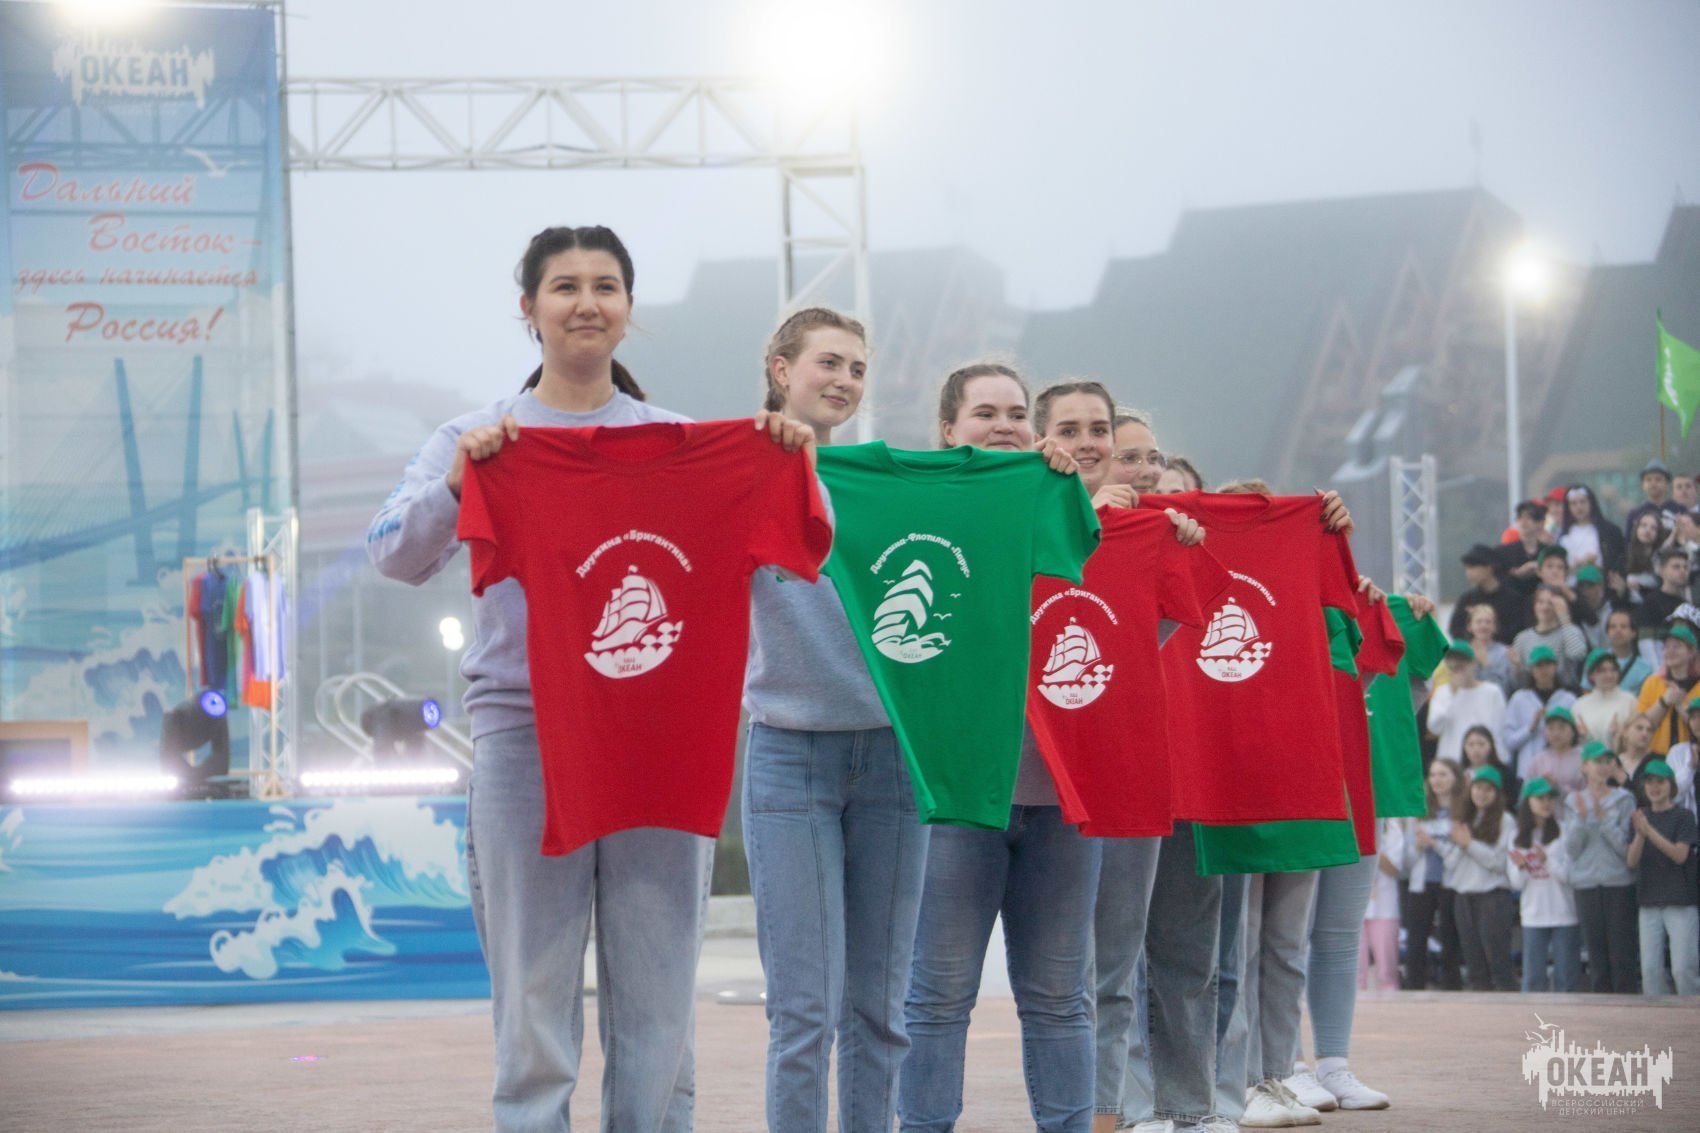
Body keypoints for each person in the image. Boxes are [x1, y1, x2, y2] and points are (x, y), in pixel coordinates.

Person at [368, 224, 818, 1132]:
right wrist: (457, 485)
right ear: (528, 307)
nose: (587, 302)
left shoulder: (687, 443)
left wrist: (785, 455)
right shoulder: (479, 441)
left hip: (659, 736)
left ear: (628, 308)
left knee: (658, 987)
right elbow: (393, 554)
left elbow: (806, 546)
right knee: (532, 990)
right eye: (565, 286)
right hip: (525, 736)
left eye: (605, 286)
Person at [899, 376, 1201, 1133]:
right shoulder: (940, 515)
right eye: (986, 414)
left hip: (1067, 796)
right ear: (949, 428)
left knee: (1063, 996)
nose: (1003, 426)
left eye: (1012, 413)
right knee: (938, 994)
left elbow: (1135, 648)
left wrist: (1168, 553)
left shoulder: (1112, 528)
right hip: (961, 793)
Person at [740, 308, 932, 1133]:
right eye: (829, 362)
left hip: (893, 760)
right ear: (781, 370)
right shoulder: (743, 471)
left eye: (857, 367)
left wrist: (1051, 472)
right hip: (788, 757)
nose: (846, 379)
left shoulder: (884, 483)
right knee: (803, 1011)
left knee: (881, 1007)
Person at [1564, 745, 1640, 994]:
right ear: (1584, 766)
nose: (1602, 766)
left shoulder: (1624, 799)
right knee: (1595, 953)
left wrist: (1604, 820)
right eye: (1596, 761)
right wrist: (1582, 819)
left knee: (1622, 952)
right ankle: (1602, 1009)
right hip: (1586, 884)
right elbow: (1572, 850)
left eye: (1607, 761)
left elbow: (1625, 849)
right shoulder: (1573, 801)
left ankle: (1627, 1006)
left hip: (1618, 883)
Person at [1440, 766, 1517, 991]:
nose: (1481, 794)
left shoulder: (1505, 820)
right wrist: (1455, 844)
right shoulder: (1464, 818)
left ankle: (1509, 1007)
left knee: (1498, 961)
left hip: (1492, 896)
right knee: (1474, 963)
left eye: (1487, 789)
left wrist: (1469, 844)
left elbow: (1498, 862)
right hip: (1463, 896)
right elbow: (1450, 863)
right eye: (1477, 788)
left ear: (1497, 793)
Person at [1627, 760, 1700, 995]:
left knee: (1683, 969)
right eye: (1650, 782)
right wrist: (1640, 834)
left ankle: (1692, 1012)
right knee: (1650, 972)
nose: (1654, 787)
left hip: (1680, 901)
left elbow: (1680, 855)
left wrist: (1649, 831)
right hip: (1649, 901)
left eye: (1660, 782)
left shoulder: (1684, 816)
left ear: (1671, 785)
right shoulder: (1641, 817)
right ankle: (1658, 1016)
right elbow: (1631, 860)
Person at [1508, 778, 1580, 992]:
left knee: (1566, 978)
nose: (1546, 803)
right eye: (1540, 798)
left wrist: (1546, 860)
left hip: (1564, 912)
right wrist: (1523, 867)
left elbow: (1570, 875)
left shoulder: (1565, 831)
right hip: (1533, 914)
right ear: (1527, 801)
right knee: (1533, 979)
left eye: (1549, 798)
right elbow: (1516, 883)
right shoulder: (1516, 836)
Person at [1400, 759, 1465, 990]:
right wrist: (1419, 847)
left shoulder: (1463, 812)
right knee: (1416, 940)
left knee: (1450, 939)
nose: (1437, 780)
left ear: (1456, 778)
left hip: (1451, 883)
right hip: (1421, 883)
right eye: (1433, 774)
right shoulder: (1419, 812)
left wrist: (1434, 844)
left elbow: (1459, 855)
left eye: (1443, 774)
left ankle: (1452, 987)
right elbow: (1407, 860)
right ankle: (1414, 988)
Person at [1426, 639, 1507, 763]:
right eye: (1452, 665)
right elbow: (1435, 727)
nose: (1457, 668)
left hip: (1482, 763)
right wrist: (1453, 693)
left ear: (1473, 664)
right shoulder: (1442, 692)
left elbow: (1499, 732)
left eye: (1461, 664)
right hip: (1451, 763)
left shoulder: (1492, 692)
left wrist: (1499, 761)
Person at [1504, 646, 1578, 781]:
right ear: (1531, 670)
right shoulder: (1519, 699)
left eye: (1548, 665)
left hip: (1561, 775)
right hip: (1527, 774)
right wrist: (1530, 728)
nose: (1544, 670)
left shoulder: (1568, 699)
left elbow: (1576, 737)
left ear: (1555, 667)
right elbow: (1509, 741)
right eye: (1539, 666)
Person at [1635, 624, 1700, 756]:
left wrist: (1680, 705)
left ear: (1691, 652)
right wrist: (1664, 702)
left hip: (1692, 756)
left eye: (1677, 646)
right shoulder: (1652, 683)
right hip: (1656, 755)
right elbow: (1640, 723)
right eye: (1666, 647)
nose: (1670, 651)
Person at [1510, 585, 1588, 686]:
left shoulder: (1569, 630)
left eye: (1551, 603)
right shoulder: (1522, 638)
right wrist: (1518, 667)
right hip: (1532, 691)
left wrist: (1564, 617)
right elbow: (1517, 683)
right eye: (1540, 602)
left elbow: (1577, 654)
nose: (1545, 607)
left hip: (1565, 690)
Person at [1448, 545, 1526, 642]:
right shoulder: (1466, 600)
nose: (1468, 573)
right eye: (1467, 568)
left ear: (1489, 568)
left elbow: (1518, 630)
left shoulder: (1513, 599)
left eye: (1473, 567)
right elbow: (1455, 630)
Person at [1359, 819, 1402, 993]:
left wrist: (1370, 845)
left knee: (1386, 970)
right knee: (1355, 971)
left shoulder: (1392, 826)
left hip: (1384, 906)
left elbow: (1394, 868)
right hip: (1356, 905)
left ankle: (1391, 1002)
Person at [1573, 649, 1637, 750]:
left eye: (1613, 670)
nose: (1609, 675)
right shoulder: (1579, 705)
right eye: (1602, 671)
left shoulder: (1630, 701)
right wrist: (1583, 737)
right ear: (1591, 675)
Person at [1557, 484, 1625, 576]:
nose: (1579, 507)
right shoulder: (1564, 536)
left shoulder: (1609, 531)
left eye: (1583, 502)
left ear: (1591, 503)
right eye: (1573, 503)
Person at [1587, 609, 1655, 695]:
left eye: (1623, 626)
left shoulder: (1645, 667)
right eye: (1613, 627)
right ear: (1607, 632)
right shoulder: (1595, 658)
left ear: (1634, 632)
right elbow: (1586, 691)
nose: (1618, 630)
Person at [1497, 500, 1551, 596]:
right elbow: (1497, 580)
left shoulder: (1548, 552)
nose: (1523, 522)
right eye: (1520, 517)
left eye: (1529, 517)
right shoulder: (1503, 552)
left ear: (1540, 523)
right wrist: (1517, 573)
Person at [1526, 707, 1586, 795]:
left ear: (1573, 731)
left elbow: (1589, 794)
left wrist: (1558, 787)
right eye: (1551, 728)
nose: (1556, 733)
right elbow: (1526, 794)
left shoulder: (1583, 758)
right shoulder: (1538, 761)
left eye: (1562, 728)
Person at [1655, 703, 1699, 816]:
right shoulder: (1678, 752)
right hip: (1689, 823)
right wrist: (1690, 768)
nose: (1697, 722)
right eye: (1693, 717)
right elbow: (1671, 795)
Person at [1462, 605, 1517, 695]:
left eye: (1488, 622)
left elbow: (1503, 689)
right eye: (1478, 622)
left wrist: (1485, 666)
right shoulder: (1462, 653)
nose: (1483, 626)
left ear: (1495, 627)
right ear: (1470, 626)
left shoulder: (1503, 653)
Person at [1636, 546, 1691, 631]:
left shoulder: (1686, 605)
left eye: (1685, 567)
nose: (1682, 571)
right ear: (1662, 571)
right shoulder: (1651, 604)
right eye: (1676, 567)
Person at [1623, 457, 1679, 542]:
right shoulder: (1635, 514)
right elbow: (1629, 544)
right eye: (1648, 480)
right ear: (1643, 485)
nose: (1653, 483)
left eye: (1658, 479)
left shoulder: (1679, 510)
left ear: (1667, 484)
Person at [1458, 724, 1516, 802]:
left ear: (1491, 746)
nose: (1476, 749)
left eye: (1481, 744)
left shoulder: (1504, 773)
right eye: (1471, 744)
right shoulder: (1458, 773)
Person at [1624, 510, 1666, 604]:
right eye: (1643, 525)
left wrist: (1641, 588)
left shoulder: (1661, 557)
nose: (1648, 530)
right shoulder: (1625, 554)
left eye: (1653, 528)